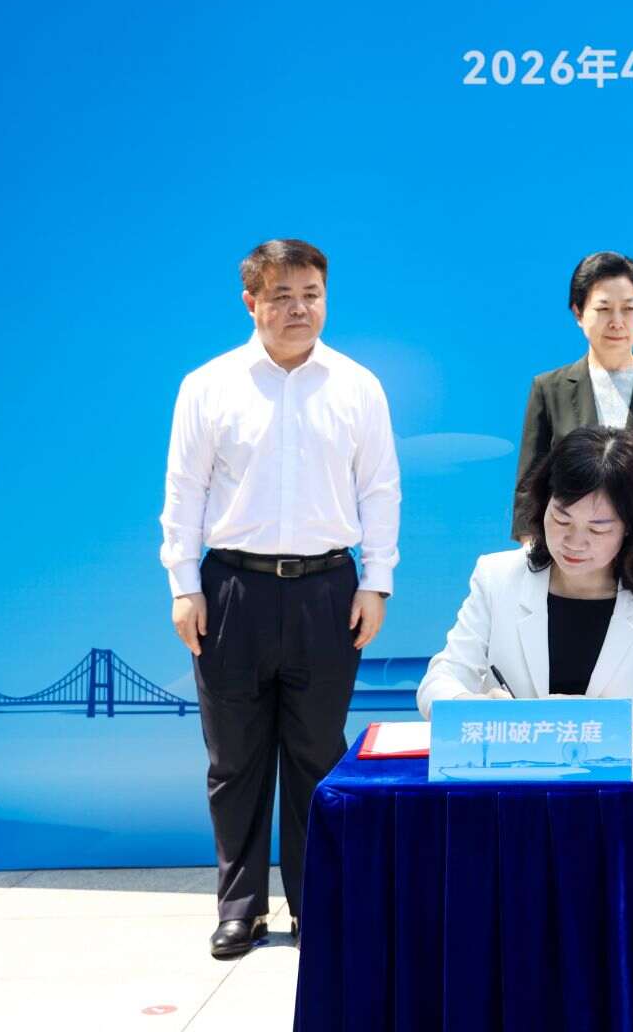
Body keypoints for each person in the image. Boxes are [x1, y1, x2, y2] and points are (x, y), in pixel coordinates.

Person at [159, 238, 400, 959]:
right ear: (251, 302)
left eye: (312, 294)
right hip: (231, 589)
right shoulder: (209, 385)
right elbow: (184, 491)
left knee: (316, 757)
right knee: (234, 761)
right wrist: (184, 585)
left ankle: (312, 902)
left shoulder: (358, 386)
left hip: (329, 590)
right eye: (283, 295)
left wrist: (376, 581)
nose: (300, 308)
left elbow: (379, 489)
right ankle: (239, 908)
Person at [422, 426, 633, 724]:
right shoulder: (497, 577)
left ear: (631, 526)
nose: (574, 542)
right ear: (543, 505)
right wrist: (471, 707)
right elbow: (439, 681)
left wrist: (576, 717)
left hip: (614, 757)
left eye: (597, 529)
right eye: (561, 519)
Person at [515, 252, 633, 576]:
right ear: (578, 312)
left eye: (628, 308)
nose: (617, 321)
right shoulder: (549, 388)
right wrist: (533, 565)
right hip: (569, 562)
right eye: (603, 309)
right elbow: (530, 487)